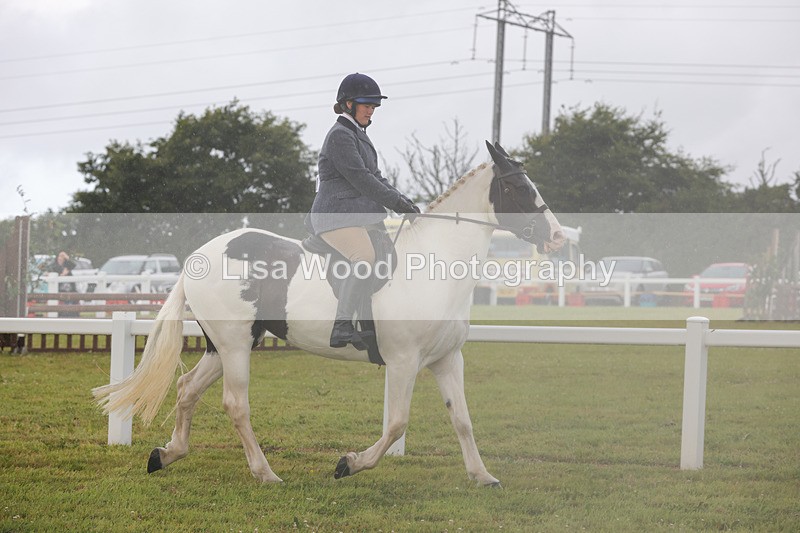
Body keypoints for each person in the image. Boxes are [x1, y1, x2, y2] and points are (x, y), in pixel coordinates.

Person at [308, 73, 420, 350]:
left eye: (373, 106)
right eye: (366, 104)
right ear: (348, 105)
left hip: (356, 216)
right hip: (335, 215)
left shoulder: (357, 136)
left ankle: (369, 324)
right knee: (364, 257)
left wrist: (406, 202)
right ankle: (342, 325)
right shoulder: (340, 137)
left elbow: (377, 177)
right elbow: (362, 179)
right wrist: (396, 204)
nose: (371, 110)